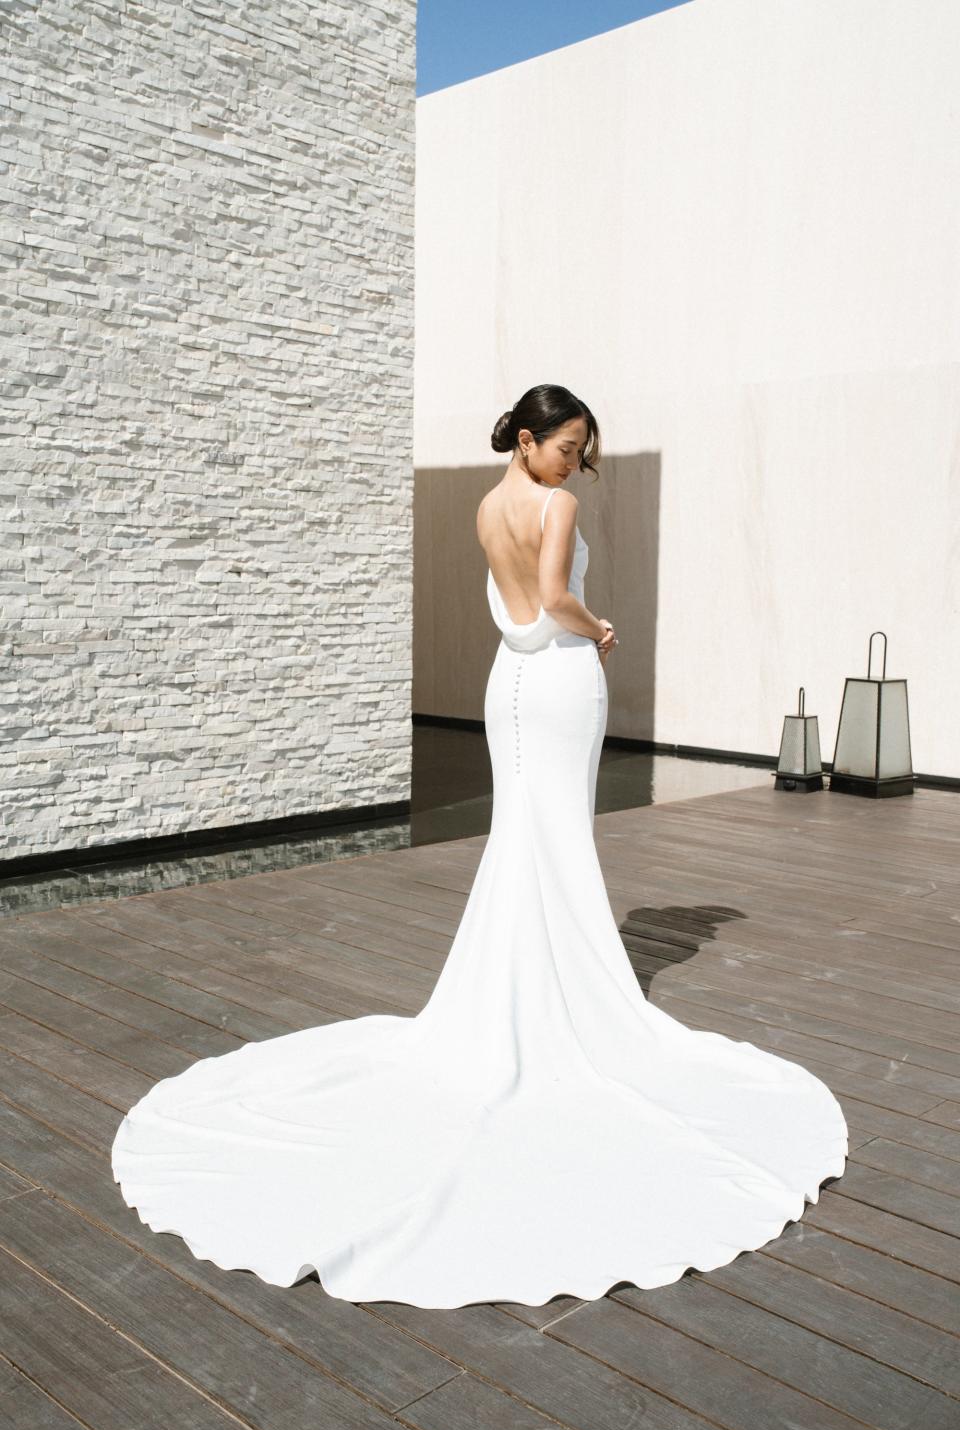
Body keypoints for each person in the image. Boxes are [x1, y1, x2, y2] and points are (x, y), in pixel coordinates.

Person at [111, 383, 848, 1308]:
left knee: (522, 841)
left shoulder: (487, 502)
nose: (578, 460)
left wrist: (557, 619)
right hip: (561, 678)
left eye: (582, 449)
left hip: (510, 684)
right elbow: (552, 600)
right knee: (560, 841)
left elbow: (513, 609)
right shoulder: (556, 504)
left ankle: (516, 994)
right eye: (571, 444)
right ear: (533, 439)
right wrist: (602, 625)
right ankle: (558, 1006)